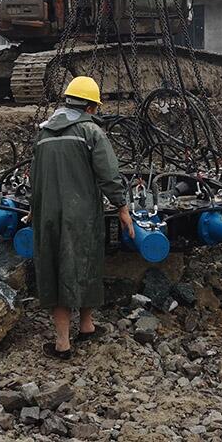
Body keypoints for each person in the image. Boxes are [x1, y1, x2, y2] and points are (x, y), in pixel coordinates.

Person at [30, 76, 134, 359]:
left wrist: (33, 209)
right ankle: (70, 340)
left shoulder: (44, 134)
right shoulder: (91, 132)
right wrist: (122, 208)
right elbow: (109, 175)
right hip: (82, 215)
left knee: (55, 267)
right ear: (90, 107)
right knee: (85, 263)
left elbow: (35, 177)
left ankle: (73, 334)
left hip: (48, 214)